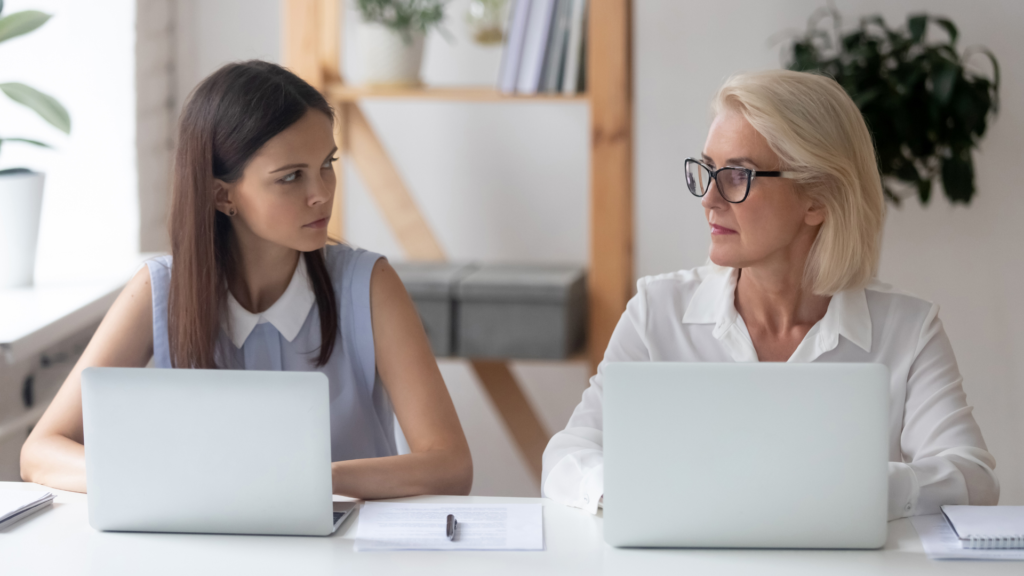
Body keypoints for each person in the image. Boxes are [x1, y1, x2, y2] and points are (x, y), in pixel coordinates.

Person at [542, 70, 998, 520]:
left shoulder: (908, 330)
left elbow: (973, 478)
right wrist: (635, 492)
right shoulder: (656, 313)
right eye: (708, 170)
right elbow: (567, 456)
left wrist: (854, 486)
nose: (709, 199)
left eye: (737, 175)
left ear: (817, 198)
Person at [20, 60, 473, 498]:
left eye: (327, 165)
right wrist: (154, 477)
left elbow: (450, 465)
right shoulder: (158, 290)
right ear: (222, 195)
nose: (321, 194)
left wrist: (312, 477)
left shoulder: (368, 284)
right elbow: (40, 454)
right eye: (291, 177)